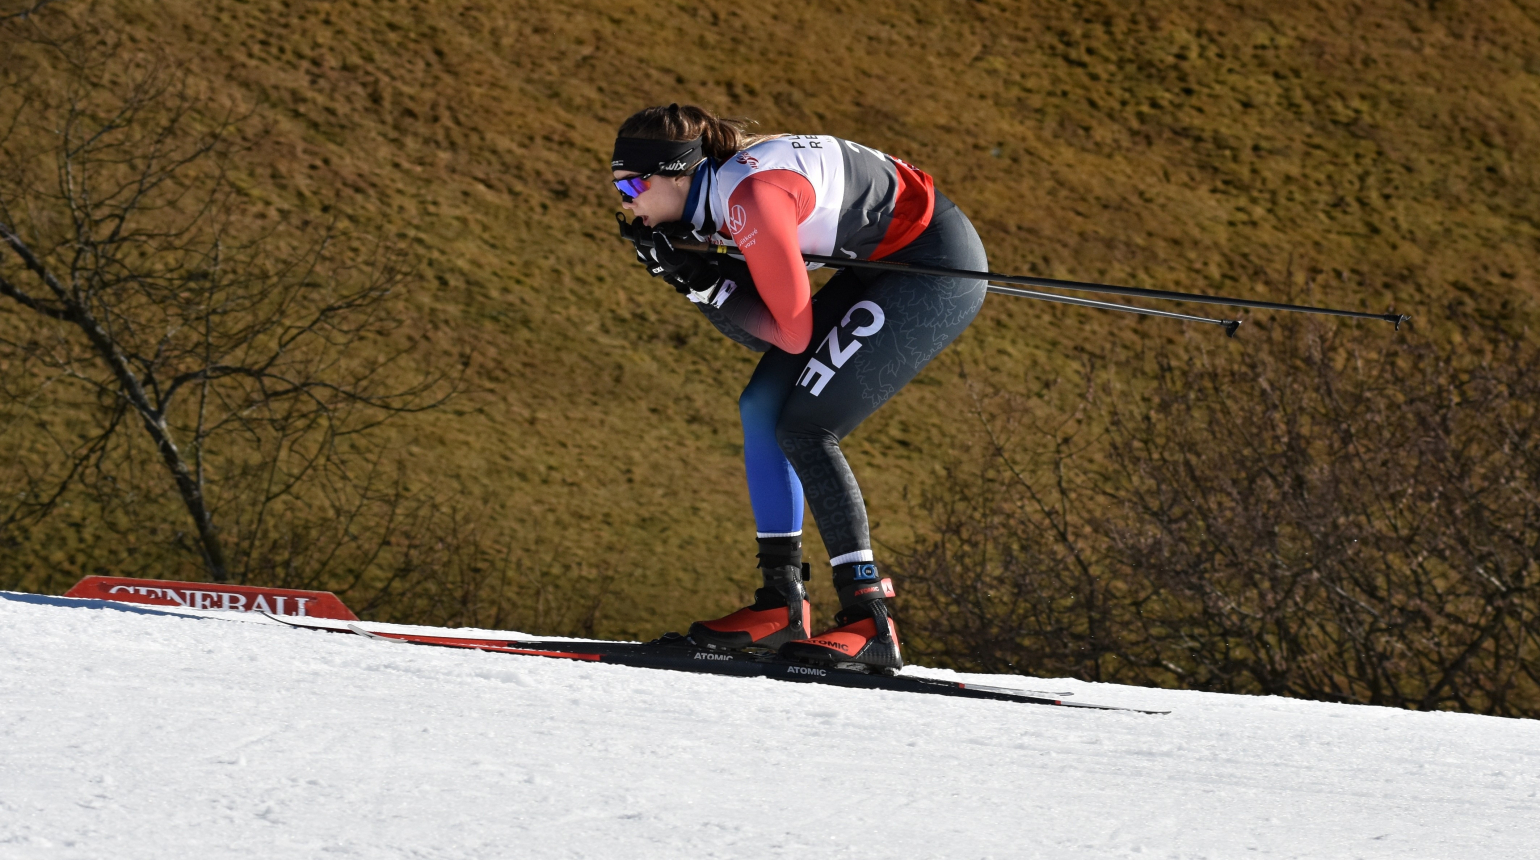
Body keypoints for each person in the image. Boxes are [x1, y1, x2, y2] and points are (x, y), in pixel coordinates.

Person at [611, 103, 987, 672]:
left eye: (632, 184)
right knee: (761, 406)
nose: (625, 200)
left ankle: (869, 618)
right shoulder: (720, 195)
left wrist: (703, 283)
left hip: (932, 264)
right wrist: (692, 278)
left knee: (806, 426)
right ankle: (780, 603)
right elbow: (761, 325)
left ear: (678, 174)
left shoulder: (749, 200)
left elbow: (788, 334)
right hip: (881, 258)